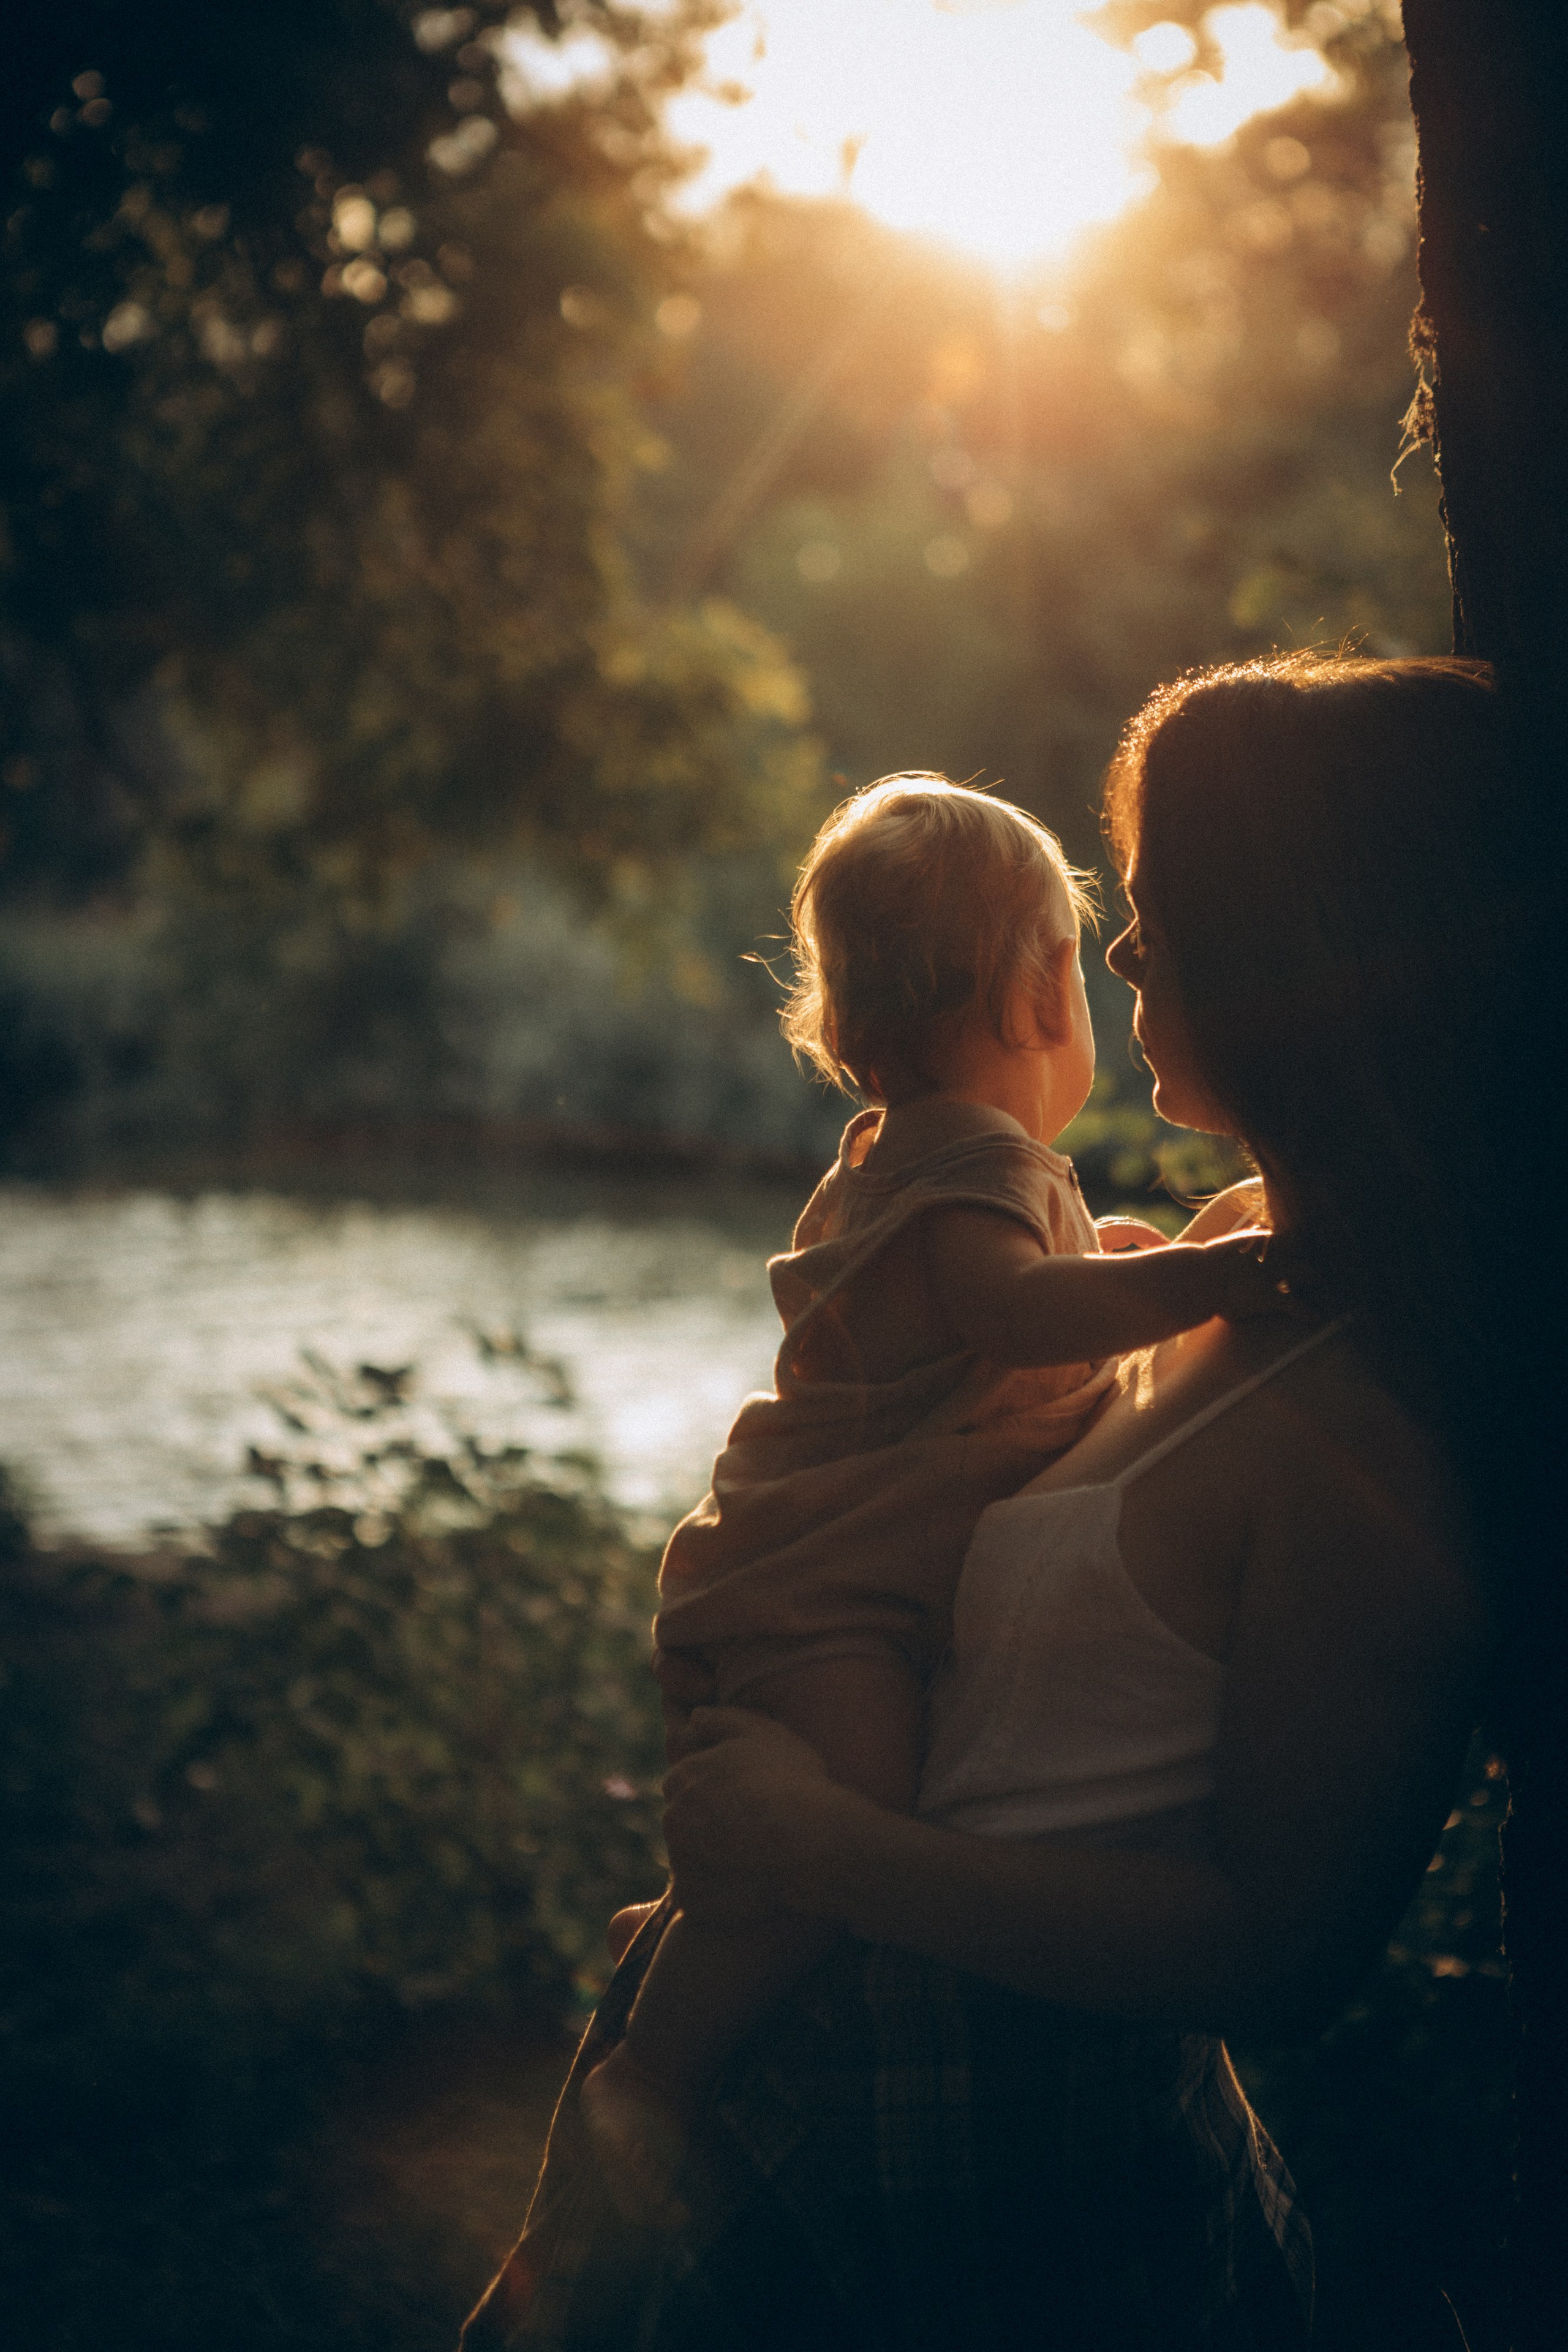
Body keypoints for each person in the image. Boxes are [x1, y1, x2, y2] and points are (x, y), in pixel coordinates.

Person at [462, 654, 1498, 2352]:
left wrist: (828, 1849)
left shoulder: (1370, 1413)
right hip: (828, 2076)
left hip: (1004, 2156)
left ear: (1299, 945)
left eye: (1160, 925)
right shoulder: (1232, 1250)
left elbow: (1277, 1947)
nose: (1118, 964)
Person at [580, 776, 1276, 2223]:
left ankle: (713, 1922)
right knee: (854, 1796)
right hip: (817, 1596)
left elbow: (999, 1316)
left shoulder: (922, 1161)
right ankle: (655, 2062)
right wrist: (1202, 1279)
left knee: (813, 1807)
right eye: (1082, 964)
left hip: (795, 1566)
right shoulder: (973, 1166)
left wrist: (1140, 1258)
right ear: (1036, 995)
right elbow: (1017, 1315)